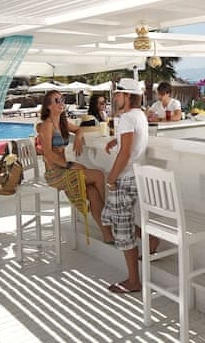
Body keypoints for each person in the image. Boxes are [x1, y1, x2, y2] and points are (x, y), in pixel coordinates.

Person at [36, 90, 114, 244]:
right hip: (54, 173)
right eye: (57, 100)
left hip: (65, 169)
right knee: (98, 175)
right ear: (48, 106)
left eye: (62, 99)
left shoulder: (62, 123)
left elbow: (79, 129)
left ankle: (107, 234)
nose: (61, 103)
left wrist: (78, 137)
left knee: (92, 192)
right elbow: (48, 155)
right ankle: (108, 215)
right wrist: (70, 164)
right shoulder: (47, 125)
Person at [101, 78, 157, 294]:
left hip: (124, 178)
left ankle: (134, 281)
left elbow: (125, 154)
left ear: (128, 96)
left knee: (122, 231)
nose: (115, 97)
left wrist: (111, 178)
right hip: (136, 176)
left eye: (119, 94)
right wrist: (116, 140)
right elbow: (132, 141)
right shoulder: (139, 115)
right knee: (112, 217)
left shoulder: (126, 118)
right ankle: (150, 239)